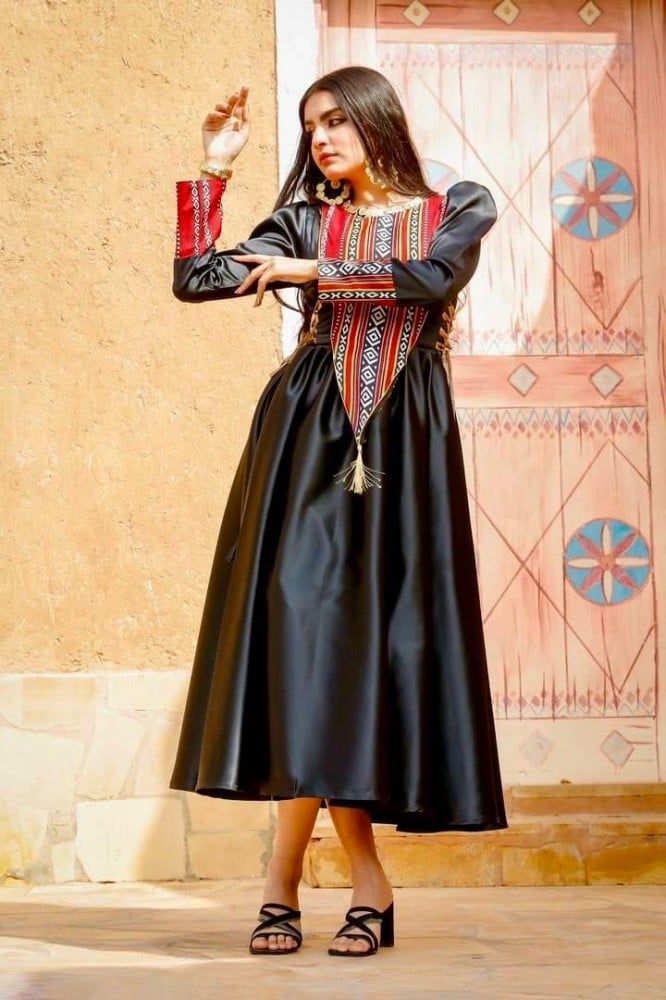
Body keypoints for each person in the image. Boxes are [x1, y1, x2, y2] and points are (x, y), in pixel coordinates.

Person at [170, 66, 507, 958]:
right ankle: (341, 880)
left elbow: (428, 280)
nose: (320, 138)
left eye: (335, 121)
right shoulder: (303, 217)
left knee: (362, 653)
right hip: (306, 433)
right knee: (300, 635)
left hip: (406, 439)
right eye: (310, 125)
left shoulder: (458, 206)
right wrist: (213, 168)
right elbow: (198, 278)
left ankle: (296, 883)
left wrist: (313, 270)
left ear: (375, 120)